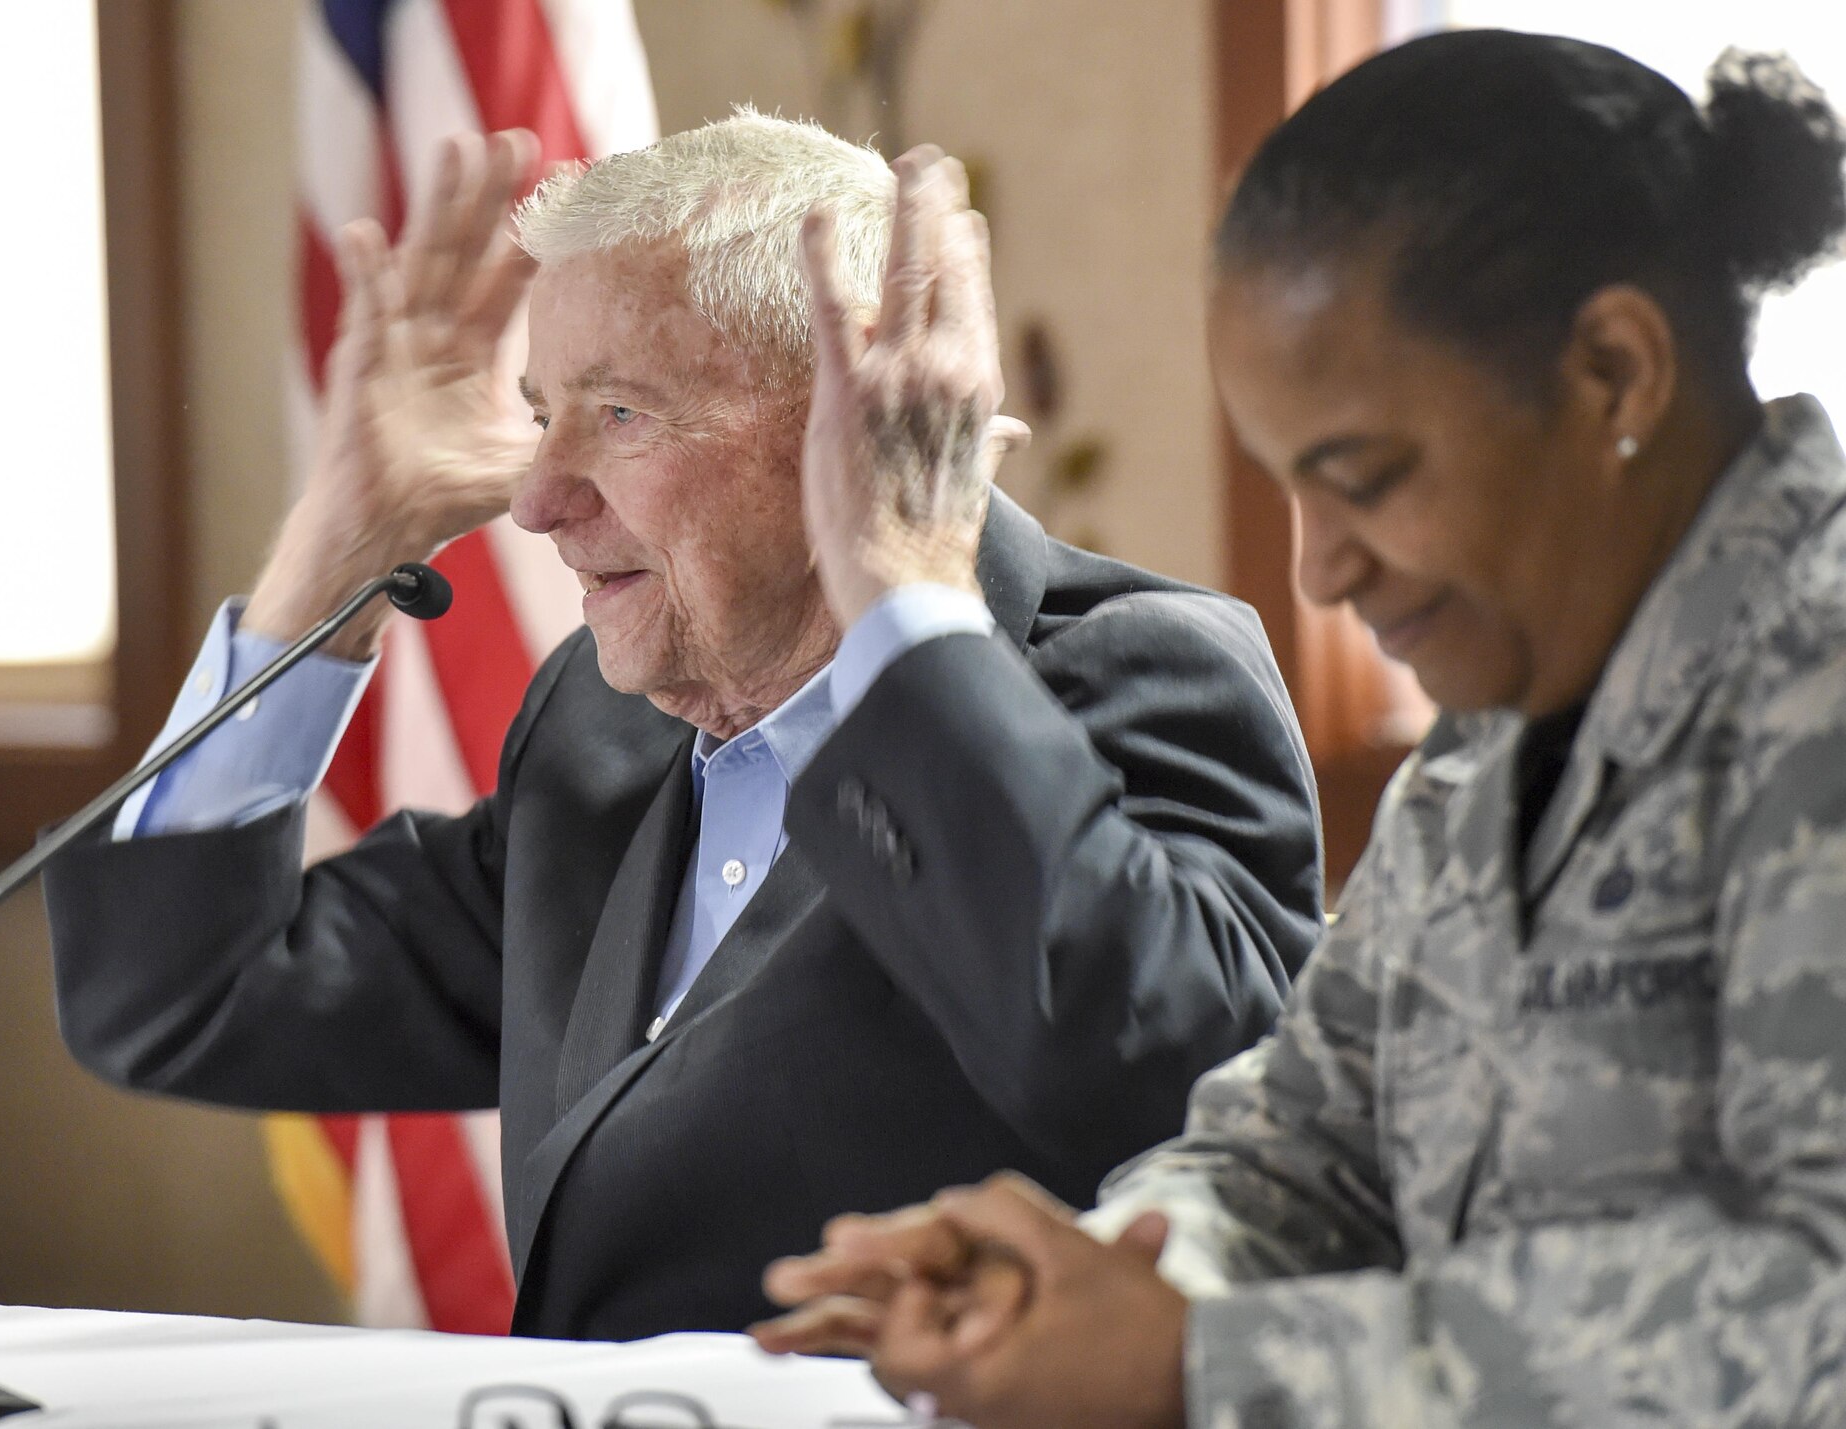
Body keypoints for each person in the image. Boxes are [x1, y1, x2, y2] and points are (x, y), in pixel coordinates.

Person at [41, 112, 1325, 1340]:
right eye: (542, 411)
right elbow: (179, 993)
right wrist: (335, 553)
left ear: (854, 412)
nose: (536, 498)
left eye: (618, 415)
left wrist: (907, 611)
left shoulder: (1140, 671)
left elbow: (1172, 1088)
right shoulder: (601, 731)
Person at [753, 30, 1846, 1426]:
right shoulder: (1493, 736)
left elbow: (1820, 1307)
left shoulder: (1813, 690)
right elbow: (1308, 1154)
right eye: (1289, 489)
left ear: (1615, 373)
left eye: (1367, 477)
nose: (1320, 569)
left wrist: (1196, 1366)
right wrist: (1089, 1279)